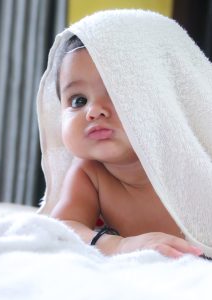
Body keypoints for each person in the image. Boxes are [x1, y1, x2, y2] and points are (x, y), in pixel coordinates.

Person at [50, 33, 203, 258]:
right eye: (78, 100)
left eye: (116, 93)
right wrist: (118, 245)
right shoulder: (90, 172)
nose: (93, 111)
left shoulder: (193, 160)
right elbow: (61, 229)